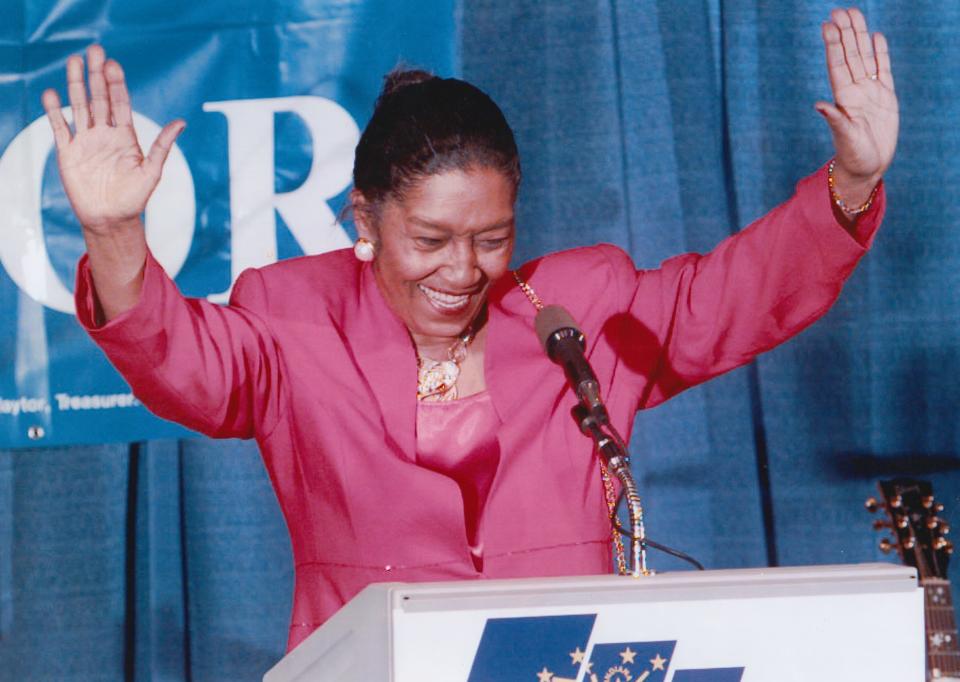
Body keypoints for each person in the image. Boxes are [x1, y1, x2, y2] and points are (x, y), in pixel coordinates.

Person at [42, 8, 897, 651]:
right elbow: (181, 363)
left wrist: (852, 181)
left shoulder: (577, 311)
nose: (462, 271)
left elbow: (733, 297)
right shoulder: (292, 315)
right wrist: (116, 236)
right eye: (431, 241)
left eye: (492, 240)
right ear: (364, 219)